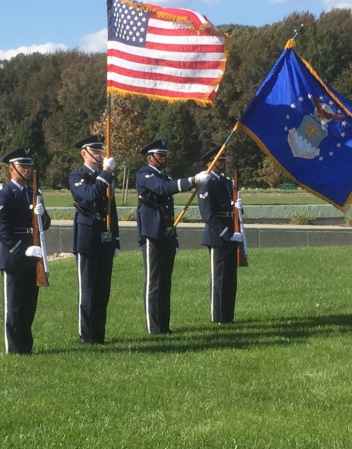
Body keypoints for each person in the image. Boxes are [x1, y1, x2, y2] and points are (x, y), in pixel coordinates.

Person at [136, 139, 209, 334]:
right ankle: (153, 326)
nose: (164, 158)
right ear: (150, 157)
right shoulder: (145, 174)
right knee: (154, 281)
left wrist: (193, 184)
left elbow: (169, 187)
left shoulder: (162, 175)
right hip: (152, 233)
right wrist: (193, 180)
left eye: (165, 155)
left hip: (166, 232)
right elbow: (164, 188)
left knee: (165, 281)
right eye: (160, 155)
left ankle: (164, 325)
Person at [0, 147, 51, 354]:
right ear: (11, 168)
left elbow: (46, 223)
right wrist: (21, 250)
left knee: (29, 306)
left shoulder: (34, 192)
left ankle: (26, 347)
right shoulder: (4, 196)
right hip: (14, 258)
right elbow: (2, 231)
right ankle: (14, 349)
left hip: (33, 255)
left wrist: (42, 215)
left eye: (29, 165)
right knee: (14, 307)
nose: (27, 169)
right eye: (22, 165)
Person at [69, 135, 120, 344]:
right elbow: (90, 194)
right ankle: (87, 336)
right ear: (84, 153)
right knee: (88, 291)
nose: (99, 155)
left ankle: (99, 334)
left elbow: (111, 209)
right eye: (95, 151)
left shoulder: (104, 176)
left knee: (102, 292)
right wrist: (106, 173)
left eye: (100, 151)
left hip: (104, 239)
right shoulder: (76, 175)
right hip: (87, 240)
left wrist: (115, 238)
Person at [197, 145, 243, 324]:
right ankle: (218, 317)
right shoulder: (207, 182)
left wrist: (239, 207)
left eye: (223, 160)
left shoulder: (225, 182)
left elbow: (231, 207)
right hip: (218, 237)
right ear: (210, 162)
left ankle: (228, 316)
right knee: (219, 279)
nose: (223, 163)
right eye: (219, 160)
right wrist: (227, 234)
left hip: (231, 233)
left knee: (230, 279)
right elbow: (208, 215)